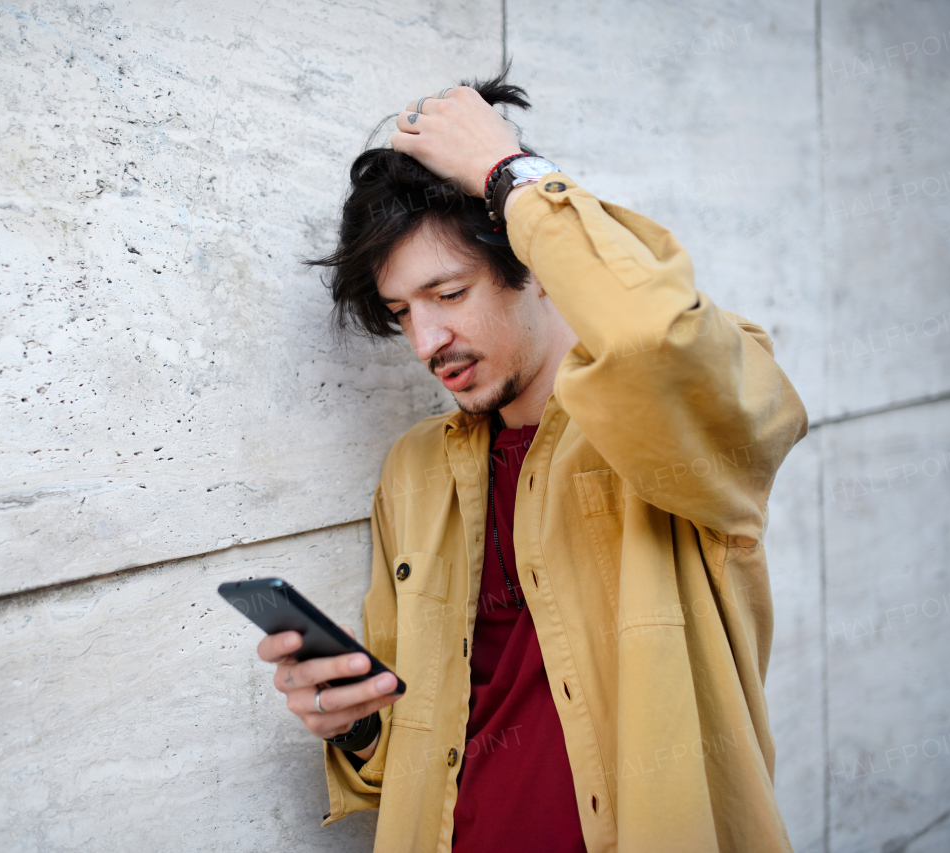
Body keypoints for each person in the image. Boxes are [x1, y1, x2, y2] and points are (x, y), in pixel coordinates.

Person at [254, 72, 808, 853]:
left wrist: (512, 175)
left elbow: (658, 340)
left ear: (535, 261)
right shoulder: (414, 472)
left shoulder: (667, 436)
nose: (425, 342)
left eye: (449, 292)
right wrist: (354, 722)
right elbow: (408, 750)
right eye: (403, 311)